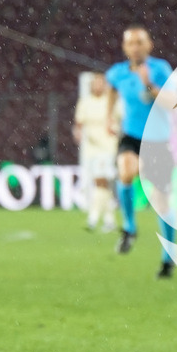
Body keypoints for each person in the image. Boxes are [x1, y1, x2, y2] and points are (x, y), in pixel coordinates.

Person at [105, 24, 177, 278]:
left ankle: (169, 257)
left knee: (161, 200)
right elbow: (111, 91)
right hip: (132, 136)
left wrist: (149, 86)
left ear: (149, 45)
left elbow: (172, 103)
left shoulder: (160, 69)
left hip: (157, 140)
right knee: (126, 171)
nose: (135, 47)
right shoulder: (117, 73)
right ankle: (129, 227)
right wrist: (108, 117)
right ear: (125, 47)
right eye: (130, 43)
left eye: (140, 42)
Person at [73, 71, 121, 232]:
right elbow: (79, 122)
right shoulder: (85, 102)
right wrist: (78, 132)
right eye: (95, 83)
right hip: (91, 147)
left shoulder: (111, 101)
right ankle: (109, 220)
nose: (98, 86)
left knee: (101, 180)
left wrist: (115, 129)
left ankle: (93, 218)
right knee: (100, 183)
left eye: (101, 83)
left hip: (107, 146)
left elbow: (120, 118)